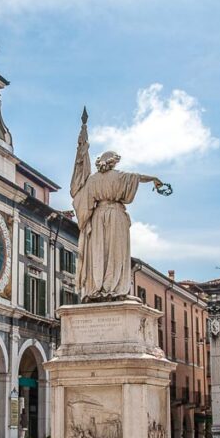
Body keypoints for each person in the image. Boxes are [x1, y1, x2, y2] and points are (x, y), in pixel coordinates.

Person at [69, 110, 164, 302]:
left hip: (97, 217)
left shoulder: (92, 180)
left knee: (98, 253)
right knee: (115, 253)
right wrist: (154, 178)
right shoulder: (120, 176)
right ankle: (115, 288)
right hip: (116, 215)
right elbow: (138, 177)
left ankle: (97, 288)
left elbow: (80, 197)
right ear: (113, 162)